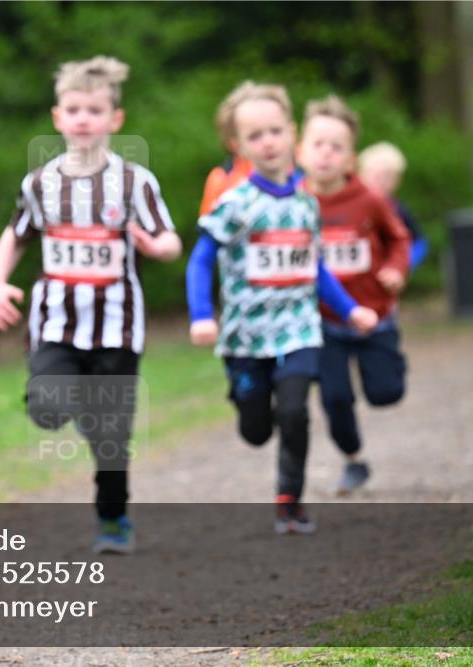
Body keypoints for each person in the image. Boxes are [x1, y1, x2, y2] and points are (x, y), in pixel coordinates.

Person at [0, 55, 182, 554]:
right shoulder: (40, 185)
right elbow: (16, 235)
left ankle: (112, 518)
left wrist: (159, 248)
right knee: (50, 407)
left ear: (115, 120)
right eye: (73, 109)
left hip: (118, 327)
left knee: (111, 437)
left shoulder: (137, 183)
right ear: (57, 118)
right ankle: (64, 400)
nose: (82, 119)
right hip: (56, 323)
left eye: (94, 110)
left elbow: (170, 239)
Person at [186, 83, 377, 534]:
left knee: (294, 411)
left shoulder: (306, 203)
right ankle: (245, 397)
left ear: (292, 133)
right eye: (255, 136)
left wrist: (350, 310)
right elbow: (200, 260)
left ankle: (289, 499)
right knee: (256, 430)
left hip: (298, 328)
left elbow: (316, 269)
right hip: (245, 335)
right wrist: (200, 314)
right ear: (239, 146)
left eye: (275, 131)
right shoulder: (235, 204)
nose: (267, 142)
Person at [298, 96, 412, 495]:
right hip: (323, 321)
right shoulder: (292, 200)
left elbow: (399, 239)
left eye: (337, 147)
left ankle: (391, 364)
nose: (326, 154)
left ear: (351, 159)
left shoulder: (369, 199)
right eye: (318, 144)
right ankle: (354, 460)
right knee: (334, 398)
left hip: (373, 313)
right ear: (300, 149)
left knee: (385, 393)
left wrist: (396, 269)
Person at [357, 141, 429, 271]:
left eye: (387, 176)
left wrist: (400, 265)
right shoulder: (351, 207)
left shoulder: (398, 210)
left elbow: (419, 243)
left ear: (397, 180)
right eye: (375, 174)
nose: (380, 181)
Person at [198, 81, 256, 216]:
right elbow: (209, 230)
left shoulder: (299, 167)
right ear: (233, 142)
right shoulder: (221, 179)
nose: (267, 141)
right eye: (254, 134)